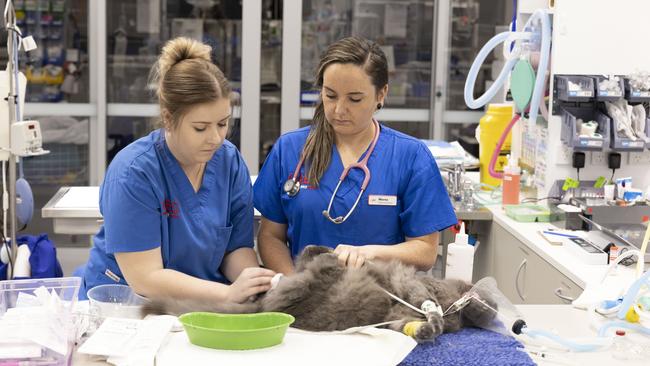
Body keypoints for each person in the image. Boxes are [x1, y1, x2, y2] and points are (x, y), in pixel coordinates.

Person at [81, 37, 274, 302]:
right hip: (129, 306)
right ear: (169, 119)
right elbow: (145, 278)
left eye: (223, 124)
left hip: (204, 303)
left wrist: (254, 283)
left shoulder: (229, 162)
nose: (216, 138)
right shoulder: (134, 172)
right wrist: (227, 293)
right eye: (200, 128)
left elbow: (235, 249)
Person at [253, 36, 457, 274]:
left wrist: (370, 253)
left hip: (381, 298)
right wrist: (294, 286)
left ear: (381, 95)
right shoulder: (290, 149)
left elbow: (425, 250)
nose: (339, 109)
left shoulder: (410, 157)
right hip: (306, 298)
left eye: (354, 99)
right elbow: (270, 237)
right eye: (330, 96)